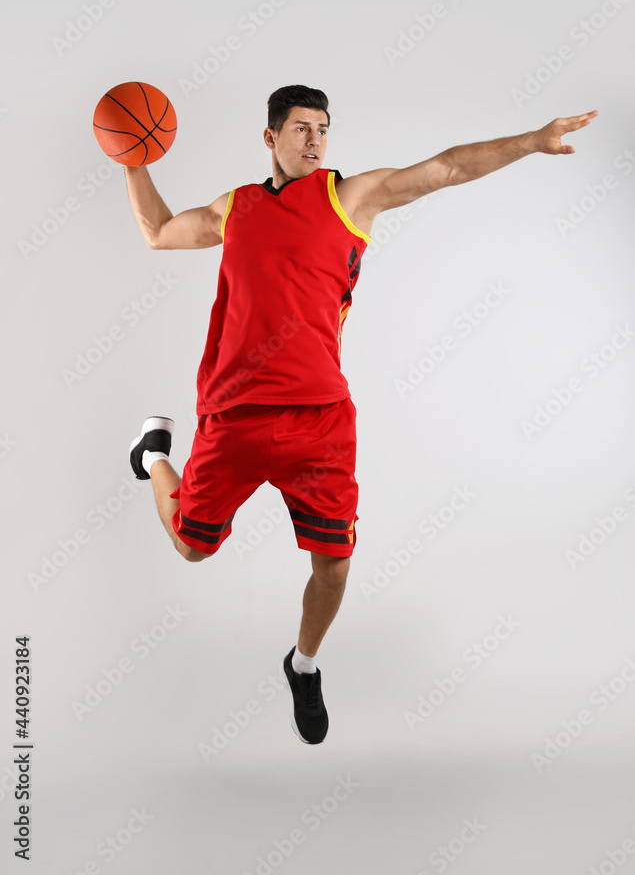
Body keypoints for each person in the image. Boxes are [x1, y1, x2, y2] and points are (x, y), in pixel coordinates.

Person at [125, 84, 598, 744]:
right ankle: (151, 455)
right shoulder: (236, 207)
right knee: (189, 547)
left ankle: (304, 663)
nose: (313, 140)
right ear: (270, 138)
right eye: (298, 128)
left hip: (319, 418)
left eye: (321, 128)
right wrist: (132, 159)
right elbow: (156, 233)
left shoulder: (349, 198)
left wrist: (533, 141)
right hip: (233, 415)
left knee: (335, 562)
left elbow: (447, 167)